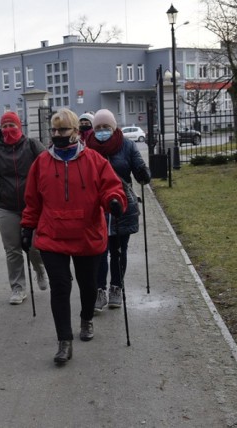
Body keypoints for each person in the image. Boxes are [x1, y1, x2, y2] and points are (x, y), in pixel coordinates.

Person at [20, 108, 127, 365]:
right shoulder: (42, 164)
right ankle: (64, 342)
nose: (57, 135)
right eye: (54, 130)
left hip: (87, 233)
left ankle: (86, 317)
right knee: (60, 287)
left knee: (88, 286)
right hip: (52, 235)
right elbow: (33, 201)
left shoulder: (95, 161)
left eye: (63, 130)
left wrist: (114, 201)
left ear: (76, 133)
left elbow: (111, 187)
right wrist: (27, 227)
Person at [0, 111, 48, 305]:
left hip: (32, 205)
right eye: (4, 126)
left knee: (35, 247)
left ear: (19, 126)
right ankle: (18, 288)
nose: (8, 129)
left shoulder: (32, 145)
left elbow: (48, 165)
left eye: (11, 125)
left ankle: (39, 269)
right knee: (12, 249)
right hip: (5, 205)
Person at [84, 109, 151, 312]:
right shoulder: (87, 149)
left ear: (114, 128)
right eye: (98, 128)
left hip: (121, 207)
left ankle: (116, 287)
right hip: (98, 209)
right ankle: (99, 290)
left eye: (106, 127)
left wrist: (143, 173)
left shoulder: (127, 146)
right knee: (99, 252)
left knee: (119, 251)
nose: (102, 131)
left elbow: (140, 169)